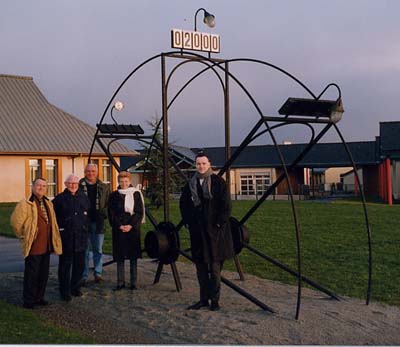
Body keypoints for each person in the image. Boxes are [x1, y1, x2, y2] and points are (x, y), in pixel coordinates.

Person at [180, 153, 234, 311]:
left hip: (215, 233)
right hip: (198, 232)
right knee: (201, 268)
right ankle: (203, 299)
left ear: (209, 164)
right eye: (198, 164)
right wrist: (189, 221)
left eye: (204, 163)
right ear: (195, 165)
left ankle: (215, 301)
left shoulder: (218, 182)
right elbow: (184, 205)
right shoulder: (191, 184)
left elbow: (226, 205)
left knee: (215, 269)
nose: (201, 166)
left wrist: (218, 223)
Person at [10, 178, 62, 309]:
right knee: (31, 275)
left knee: (43, 274)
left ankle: (39, 297)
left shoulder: (48, 203)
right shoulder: (26, 204)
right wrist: (24, 236)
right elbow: (15, 223)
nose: (41, 188)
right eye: (38, 185)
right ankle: (28, 300)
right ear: (33, 187)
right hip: (34, 246)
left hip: (46, 245)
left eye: (44, 186)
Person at [53, 174, 90, 302]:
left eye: (75, 183)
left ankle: (75, 287)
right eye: (70, 183)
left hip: (81, 237)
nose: (73, 185)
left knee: (79, 265)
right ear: (65, 184)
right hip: (66, 237)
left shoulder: (84, 198)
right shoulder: (59, 199)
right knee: (65, 266)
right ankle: (64, 291)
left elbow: (88, 215)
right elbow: (54, 218)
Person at [108, 171, 145, 290]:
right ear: (118, 182)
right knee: (120, 256)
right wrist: (119, 225)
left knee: (133, 256)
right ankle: (120, 282)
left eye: (126, 181)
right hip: (119, 229)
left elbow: (139, 212)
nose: (123, 184)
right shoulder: (114, 195)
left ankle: (133, 282)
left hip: (132, 228)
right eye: (121, 181)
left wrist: (130, 225)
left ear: (129, 182)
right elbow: (111, 213)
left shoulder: (135, 194)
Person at [79, 163, 110, 284]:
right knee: (85, 250)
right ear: (85, 172)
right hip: (83, 222)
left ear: (97, 172)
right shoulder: (79, 185)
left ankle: (98, 273)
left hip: (98, 222)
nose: (90, 173)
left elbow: (108, 203)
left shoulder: (103, 187)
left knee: (98, 249)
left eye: (93, 171)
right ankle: (84, 275)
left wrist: (103, 214)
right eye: (88, 171)